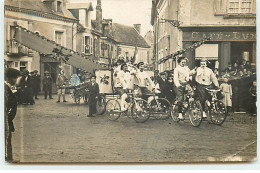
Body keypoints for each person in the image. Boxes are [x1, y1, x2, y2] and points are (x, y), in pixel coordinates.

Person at [4, 68, 21, 161]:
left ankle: (8, 158)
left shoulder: (7, 87)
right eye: (15, 78)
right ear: (9, 78)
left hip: (7, 118)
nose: (16, 80)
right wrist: (8, 117)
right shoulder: (5, 88)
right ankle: (7, 159)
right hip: (5, 119)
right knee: (6, 138)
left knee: (8, 137)